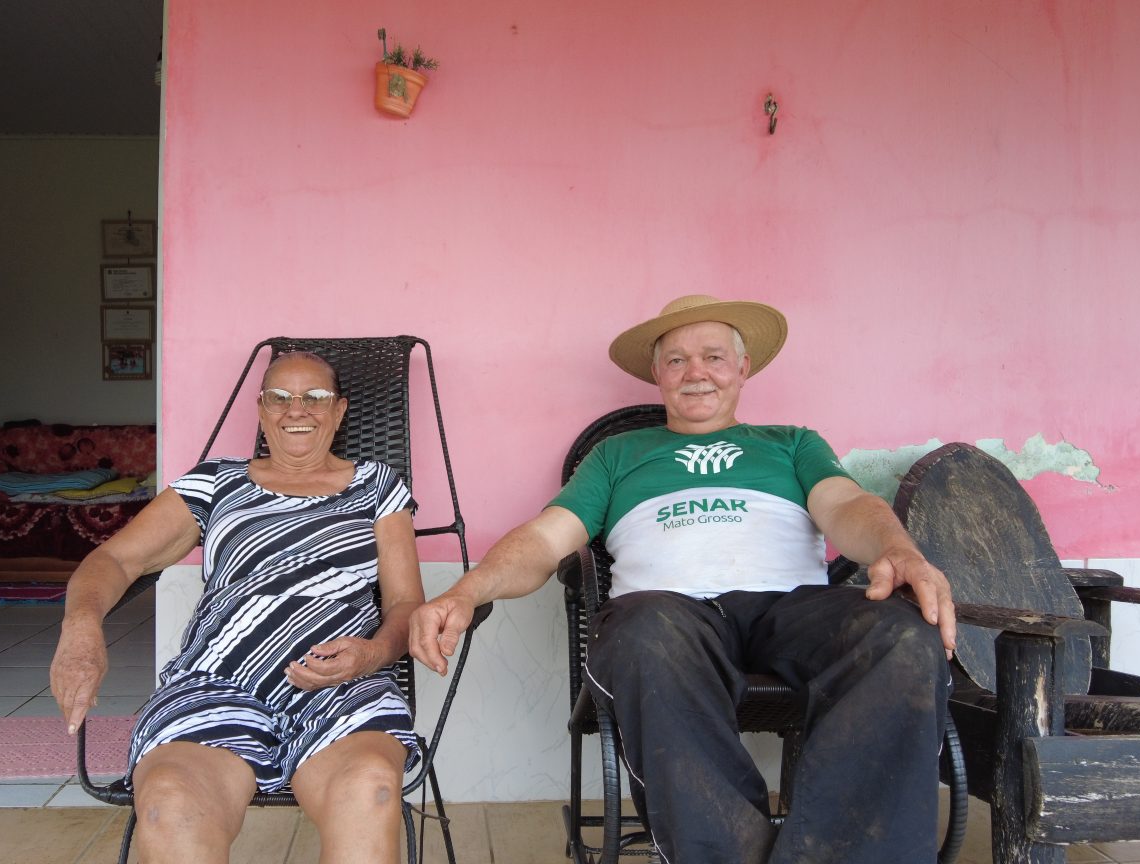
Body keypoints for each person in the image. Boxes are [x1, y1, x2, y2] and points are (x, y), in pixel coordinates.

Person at [410, 295, 957, 864]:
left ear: (742, 368)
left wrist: (897, 549)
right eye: (677, 360)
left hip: (792, 608)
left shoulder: (792, 442)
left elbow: (845, 505)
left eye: (713, 357)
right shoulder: (617, 454)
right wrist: (467, 590)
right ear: (657, 374)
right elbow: (546, 539)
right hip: (668, 615)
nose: (696, 372)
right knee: (644, 633)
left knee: (901, 635)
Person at [51, 351, 423, 864]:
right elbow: (114, 559)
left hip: (342, 684)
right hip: (215, 682)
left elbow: (406, 603)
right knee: (170, 802)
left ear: (339, 411)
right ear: (261, 409)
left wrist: (373, 655)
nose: (297, 409)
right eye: (280, 397)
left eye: (315, 398)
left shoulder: (377, 485)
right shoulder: (216, 482)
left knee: (370, 788)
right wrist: (81, 627)